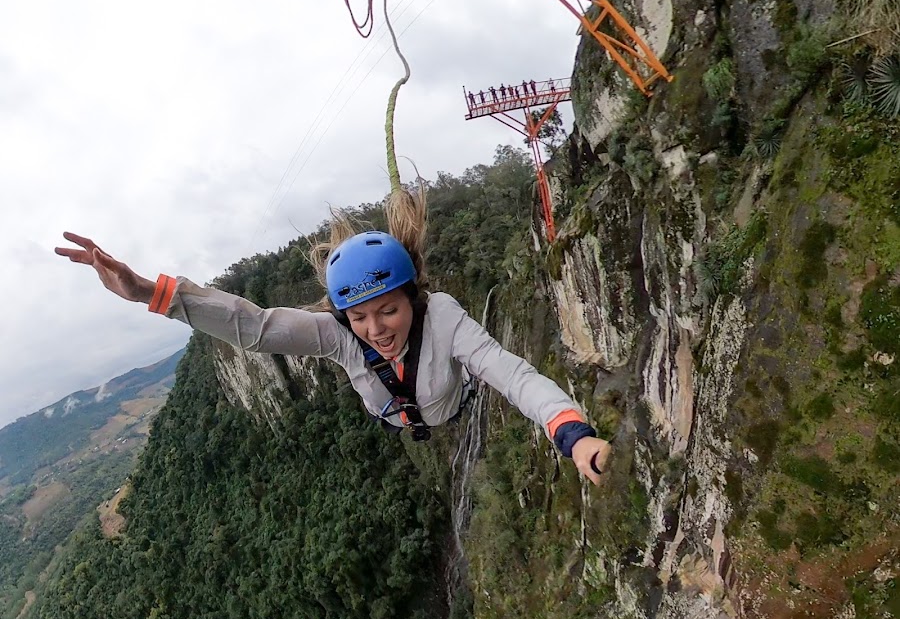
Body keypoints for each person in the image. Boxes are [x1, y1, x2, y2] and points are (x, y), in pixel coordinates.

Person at [56, 199, 611, 484]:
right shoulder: (339, 334)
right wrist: (151, 292)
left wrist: (570, 431)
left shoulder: (441, 317)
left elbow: (508, 372)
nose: (376, 329)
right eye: (361, 316)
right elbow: (254, 326)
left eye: (389, 310)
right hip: (398, 416)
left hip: (450, 402)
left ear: (413, 298)